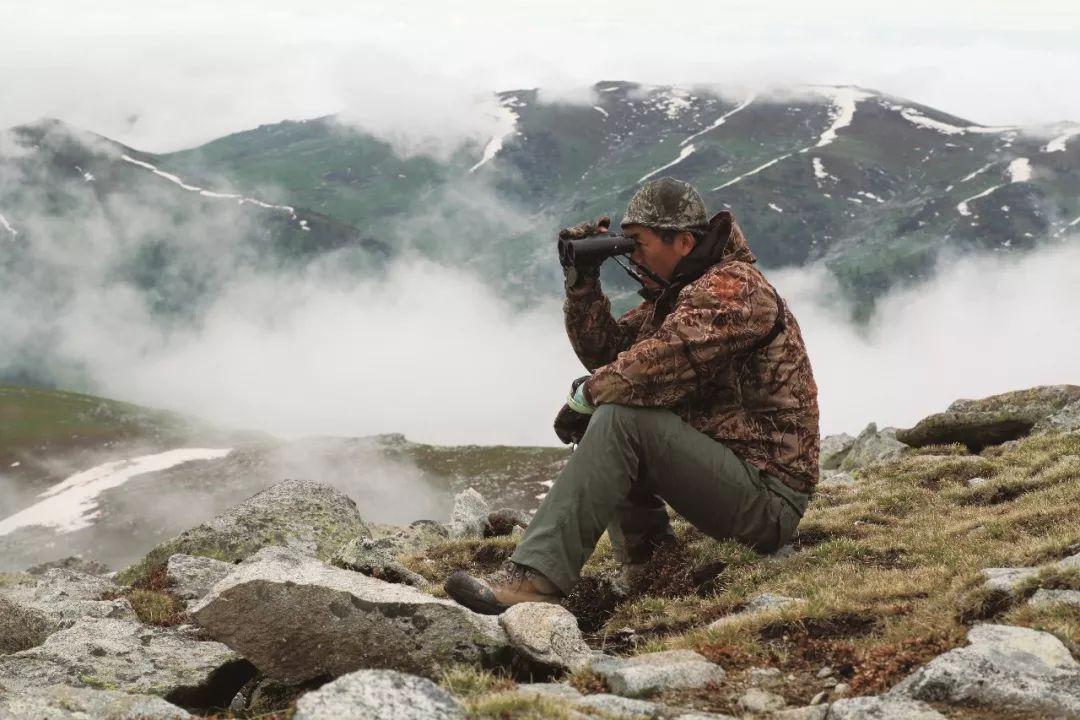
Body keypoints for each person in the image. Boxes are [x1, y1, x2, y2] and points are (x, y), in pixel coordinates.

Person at [445, 177, 820, 614]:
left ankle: (536, 579)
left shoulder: (735, 288)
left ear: (682, 241)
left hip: (767, 502)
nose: (632, 254)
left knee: (619, 415)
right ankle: (649, 564)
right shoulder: (679, 296)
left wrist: (587, 396)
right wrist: (583, 283)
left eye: (638, 243)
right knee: (612, 407)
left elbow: (660, 360)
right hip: (732, 480)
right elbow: (607, 354)